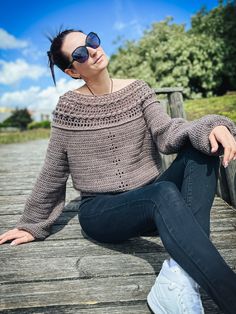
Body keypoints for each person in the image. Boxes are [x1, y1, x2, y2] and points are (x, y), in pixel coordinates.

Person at [0, 28, 236, 314]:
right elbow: (53, 170)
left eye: (92, 41)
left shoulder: (139, 90)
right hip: (102, 212)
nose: (92, 50)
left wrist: (212, 125)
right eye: (80, 54)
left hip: (152, 202)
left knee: (203, 147)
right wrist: (31, 224)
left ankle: (179, 275)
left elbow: (166, 132)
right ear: (73, 71)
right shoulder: (69, 108)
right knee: (162, 192)